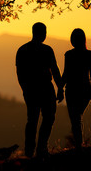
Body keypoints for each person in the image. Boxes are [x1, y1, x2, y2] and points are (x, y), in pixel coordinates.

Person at [16, 22, 63, 158]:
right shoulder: (47, 50)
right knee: (46, 118)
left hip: (33, 89)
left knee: (33, 120)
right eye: (44, 32)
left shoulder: (22, 50)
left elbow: (20, 73)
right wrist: (60, 88)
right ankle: (40, 149)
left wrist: (25, 89)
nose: (45, 35)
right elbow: (54, 70)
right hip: (44, 88)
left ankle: (32, 151)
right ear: (41, 33)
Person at [58, 28, 91, 151]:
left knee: (75, 119)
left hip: (72, 90)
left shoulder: (69, 55)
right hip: (85, 90)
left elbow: (65, 74)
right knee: (77, 117)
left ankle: (79, 145)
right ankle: (79, 144)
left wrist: (60, 88)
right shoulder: (90, 55)